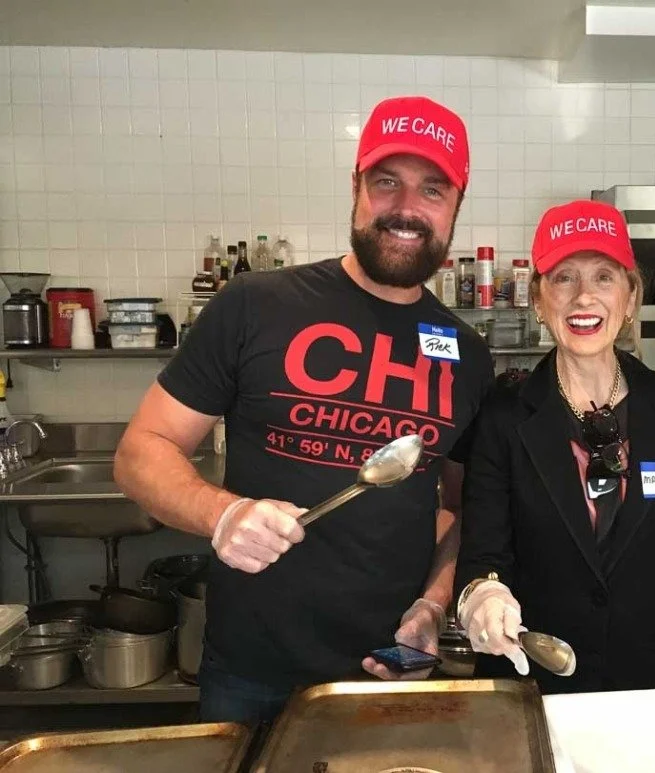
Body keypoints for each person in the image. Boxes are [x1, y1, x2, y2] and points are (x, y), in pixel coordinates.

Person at [113, 95, 494, 722]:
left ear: (455, 205)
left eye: (432, 189)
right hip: (250, 671)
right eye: (386, 182)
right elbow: (140, 453)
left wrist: (432, 604)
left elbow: (457, 506)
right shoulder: (255, 305)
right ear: (356, 187)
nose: (406, 207)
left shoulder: (467, 356)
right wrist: (223, 512)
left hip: (385, 669)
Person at [454, 199, 655, 695]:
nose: (584, 297)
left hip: (648, 682)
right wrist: (483, 594)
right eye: (564, 278)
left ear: (629, 298)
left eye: (604, 277)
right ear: (539, 300)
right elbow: (483, 555)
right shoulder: (503, 417)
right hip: (533, 681)